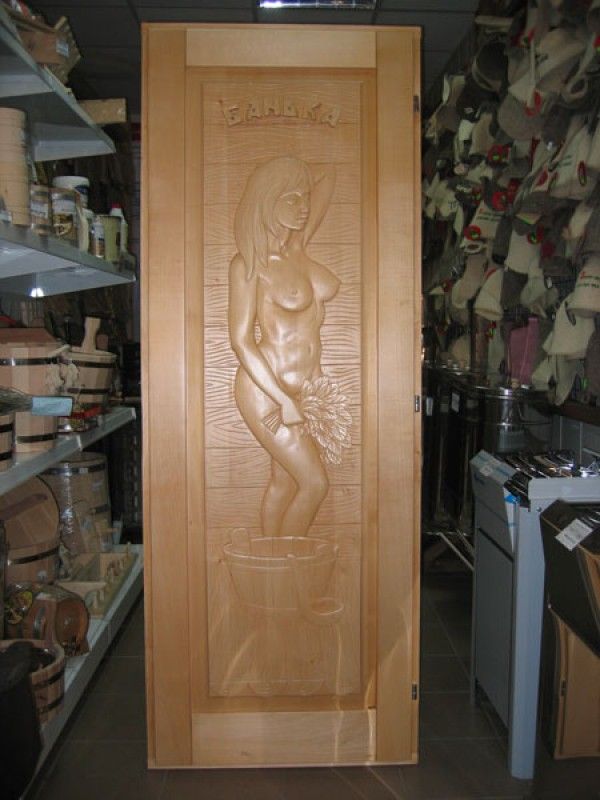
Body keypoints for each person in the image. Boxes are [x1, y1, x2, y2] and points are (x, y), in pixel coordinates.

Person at [229, 155, 350, 538]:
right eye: (291, 199)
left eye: (305, 197)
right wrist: (283, 400)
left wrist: (296, 176)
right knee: (314, 484)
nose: (304, 207)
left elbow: (329, 174)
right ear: (267, 200)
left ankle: (270, 564)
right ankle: (292, 564)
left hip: (305, 391)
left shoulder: (297, 247)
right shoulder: (249, 265)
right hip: (266, 392)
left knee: (284, 483)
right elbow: (241, 340)